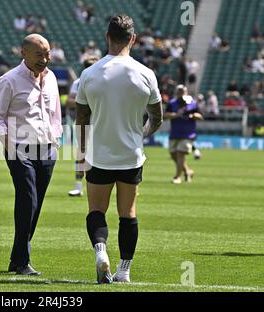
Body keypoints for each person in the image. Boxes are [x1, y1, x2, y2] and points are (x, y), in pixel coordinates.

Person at [76, 15, 163, 284]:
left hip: (99, 155)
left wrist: (81, 154)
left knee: (96, 210)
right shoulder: (146, 73)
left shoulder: (89, 74)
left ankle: (101, 252)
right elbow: (157, 117)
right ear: (133, 39)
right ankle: (123, 270)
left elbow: (81, 121)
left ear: (107, 37)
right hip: (131, 155)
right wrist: (142, 134)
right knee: (128, 213)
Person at [0, 34, 62, 276]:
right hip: (20, 149)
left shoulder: (51, 79)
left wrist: (56, 142)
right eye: (39, 54)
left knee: (35, 205)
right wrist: (10, 147)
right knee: (27, 198)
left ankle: (17, 257)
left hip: (47, 149)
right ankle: (22, 261)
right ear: (24, 53)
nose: (45, 59)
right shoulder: (8, 81)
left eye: (48, 53)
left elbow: (55, 115)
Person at [67, 56, 99, 197]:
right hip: (84, 123)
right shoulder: (78, 83)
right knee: (81, 154)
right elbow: (69, 100)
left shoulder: (102, 82)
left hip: (100, 123)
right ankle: (78, 187)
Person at [164, 85, 203, 184]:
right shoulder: (172, 103)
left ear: (186, 92)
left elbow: (200, 116)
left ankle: (178, 177)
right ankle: (187, 171)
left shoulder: (193, 103)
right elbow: (165, 115)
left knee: (180, 153)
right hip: (175, 133)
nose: (181, 93)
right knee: (173, 155)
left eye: (183, 91)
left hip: (188, 133)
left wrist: (194, 116)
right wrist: (177, 115)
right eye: (179, 91)